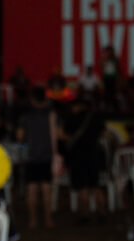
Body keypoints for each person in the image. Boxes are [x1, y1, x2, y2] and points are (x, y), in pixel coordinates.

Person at [17, 86, 58, 229]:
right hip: (46, 156)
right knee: (47, 190)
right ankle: (48, 220)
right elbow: (54, 136)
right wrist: (55, 155)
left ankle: (32, 221)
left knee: (32, 190)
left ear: (33, 98)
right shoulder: (51, 114)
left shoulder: (26, 116)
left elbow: (20, 136)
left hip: (30, 156)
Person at [62, 95, 107, 223]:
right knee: (96, 186)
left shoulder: (72, 118)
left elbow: (65, 135)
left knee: (82, 187)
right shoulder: (96, 117)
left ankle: (85, 215)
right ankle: (102, 213)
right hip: (94, 155)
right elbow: (104, 133)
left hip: (78, 157)